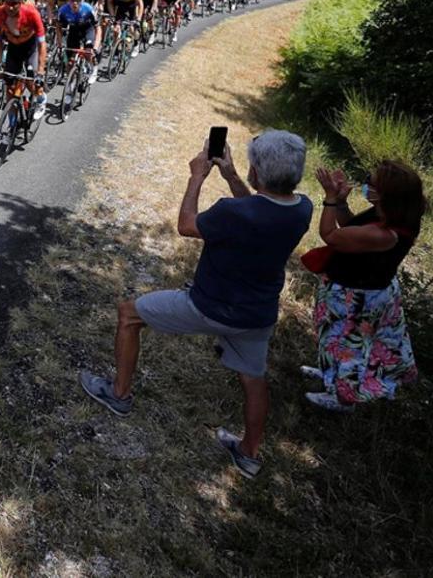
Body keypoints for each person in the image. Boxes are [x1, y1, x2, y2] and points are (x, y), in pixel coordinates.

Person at [78, 130, 313, 479]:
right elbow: (261, 207)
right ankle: (248, 454)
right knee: (254, 378)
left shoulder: (232, 212)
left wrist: (196, 177)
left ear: (257, 172)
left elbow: (186, 225)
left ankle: (119, 395)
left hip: (209, 305)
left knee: (129, 313)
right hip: (257, 315)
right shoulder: (302, 209)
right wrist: (231, 175)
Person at [305, 161, 423, 411]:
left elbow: (331, 236)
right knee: (337, 339)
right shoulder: (390, 214)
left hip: (359, 298)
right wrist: (340, 203)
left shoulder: (386, 234)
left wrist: (329, 198)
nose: (365, 183)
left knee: (351, 348)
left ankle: (343, 398)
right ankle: (331, 376)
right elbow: (351, 229)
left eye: (370, 180)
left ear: (386, 193)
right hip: (362, 290)